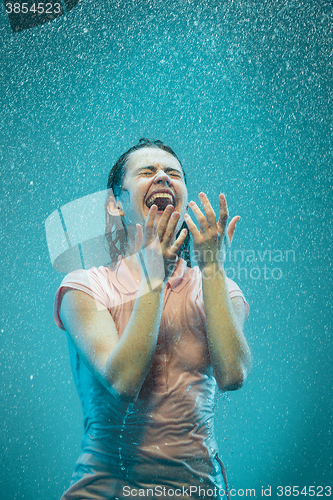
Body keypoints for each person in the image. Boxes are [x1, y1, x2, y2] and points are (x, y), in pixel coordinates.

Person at [54, 138, 251, 500]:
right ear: (116, 204)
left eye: (172, 173)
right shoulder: (85, 287)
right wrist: (152, 275)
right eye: (147, 171)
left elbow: (233, 374)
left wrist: (213, 269)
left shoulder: (217, 287)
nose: (162, 176)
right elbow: (124, 381)